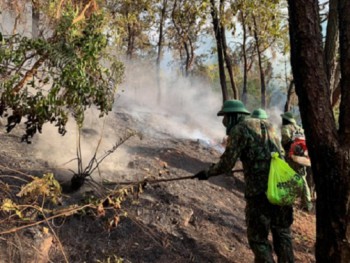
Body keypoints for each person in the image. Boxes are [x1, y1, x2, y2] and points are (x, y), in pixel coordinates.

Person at [194, 100, 294, 263]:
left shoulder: (240, 130)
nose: (225, 122)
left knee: (258, 239)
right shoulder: (269, 126)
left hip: (259, 192)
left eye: (226, 117)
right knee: (282, 234)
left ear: (234, 116)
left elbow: (227, 164)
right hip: (281, 187)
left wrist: (207, 173)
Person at [280, 112, 313, 212]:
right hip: (302, 157)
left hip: (292, 157)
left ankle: (306, 203)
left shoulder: (286, 128)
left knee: (295, 177)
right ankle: (305, 202)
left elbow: (285, 141)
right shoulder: (300, 128)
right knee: (301, 177)